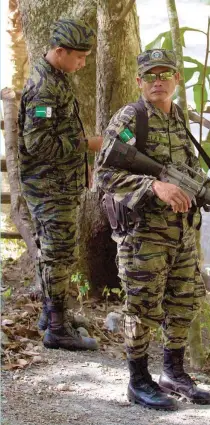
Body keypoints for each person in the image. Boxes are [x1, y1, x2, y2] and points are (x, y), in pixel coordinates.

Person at [97, 49, 210, 410]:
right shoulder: (131, 119)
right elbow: (104, 173)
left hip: (181, 233)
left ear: (177, 80)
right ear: (139, 82)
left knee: (183, 301)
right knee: (142, 306)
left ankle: (173, 372)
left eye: (165, 74)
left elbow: (189, 173)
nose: (158, 81)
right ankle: (138, 380)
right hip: (144, 236)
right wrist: (154, 187)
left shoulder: (180, 118)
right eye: (150, 76)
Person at [18, 18, 102, 351]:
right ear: (60, 51)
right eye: (79, 57)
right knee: (59, 253)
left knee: (56, 252)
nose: (82, 64)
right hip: (48, 187)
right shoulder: (44, 86)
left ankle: (53, 314)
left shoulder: (57, 76)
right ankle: (56, 327)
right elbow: (38, 145)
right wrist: (86, 145)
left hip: (59, 183)